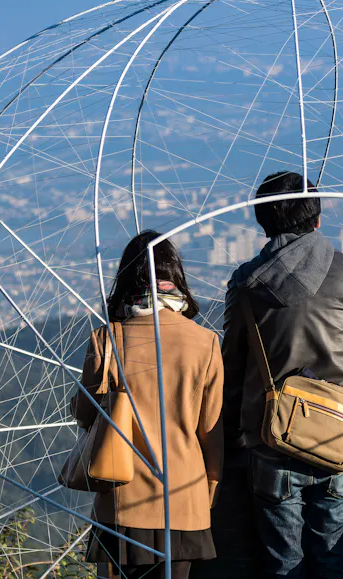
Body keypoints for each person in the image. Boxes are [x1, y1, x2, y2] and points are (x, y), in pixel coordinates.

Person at [220, 171, 343, 579]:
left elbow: (233, 368)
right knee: (333, 561)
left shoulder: (246, 283)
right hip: (338, 439)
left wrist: (235, 439)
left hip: (271, 444)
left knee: (282, 564)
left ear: (263, 222)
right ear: (317, 219)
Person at [72, 231, 223, 579]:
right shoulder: (206, 344)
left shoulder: (108, 339)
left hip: (121, 502)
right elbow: (211, 431)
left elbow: (84, 416)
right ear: (177, 278)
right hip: (184, 498)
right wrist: (210, 489)